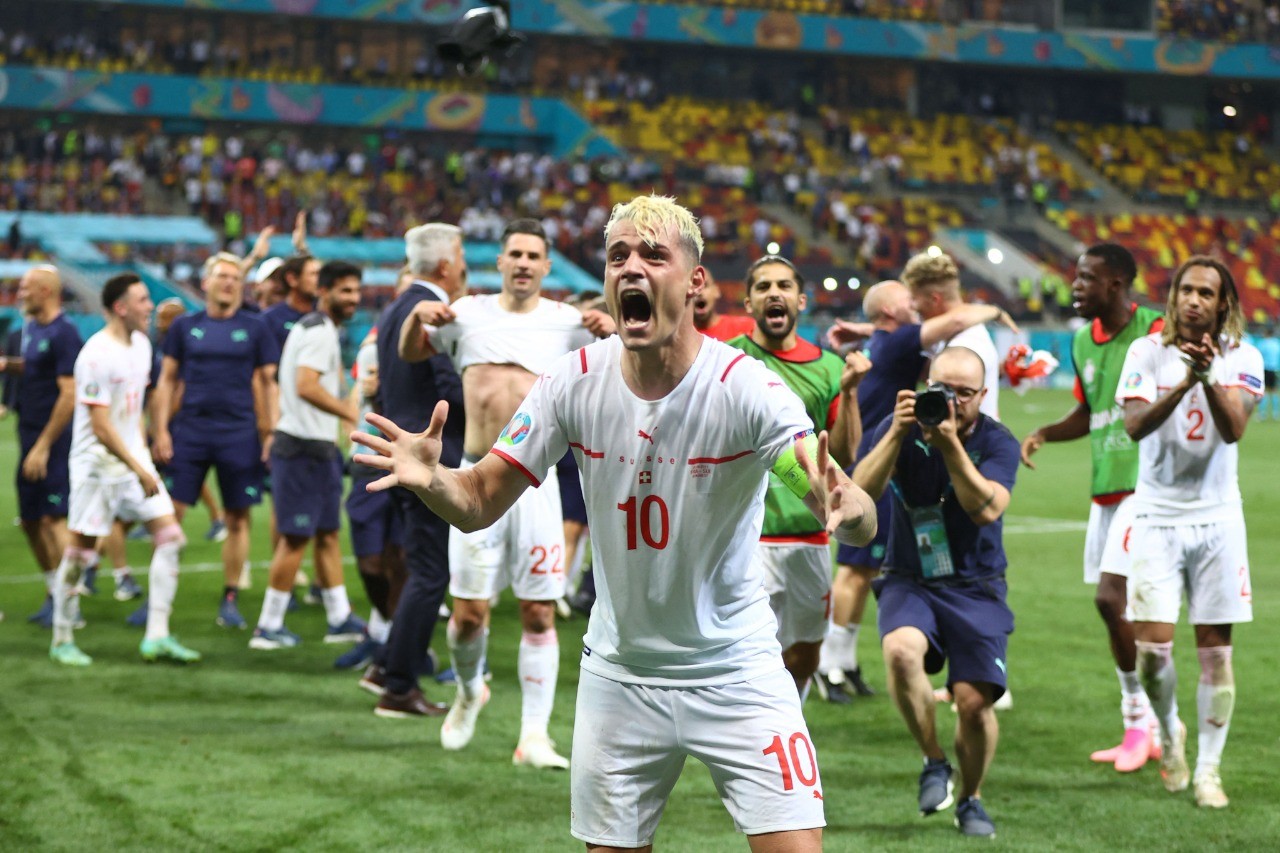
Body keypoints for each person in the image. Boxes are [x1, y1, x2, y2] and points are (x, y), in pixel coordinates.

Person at [353, 195, 876, 850]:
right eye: (618, 255)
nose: (631, 266)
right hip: (620, 677)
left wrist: (849, 507)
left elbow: (838, 493)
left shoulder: (745, 387)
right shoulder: (571, 381)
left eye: (653, 254)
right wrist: (434, 478)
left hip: (736, 669)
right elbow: (481, 495)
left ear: (693, 283)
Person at [400, 218, 613, 766]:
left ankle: (534, 737)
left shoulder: (568, 323)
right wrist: (416, 318)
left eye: (533, 255)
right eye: (514, 253)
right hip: (474, 476)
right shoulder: (467, 313)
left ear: (546, 266)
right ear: (499, 262)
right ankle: (471, 690)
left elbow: (623, 360)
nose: (522, 263)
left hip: (535, 484)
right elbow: (411, 353)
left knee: (539, 614)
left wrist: (609, 326)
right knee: (469, 616)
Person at [817, 280, 1018, 704]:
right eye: (909, 303)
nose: (919, 308)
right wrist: (994, 311)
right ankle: (830, 663)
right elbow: (958, 318)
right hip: (882, 452)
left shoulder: (884, 343)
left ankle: (843, 661)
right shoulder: (901, 342)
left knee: (862, 569)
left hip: (880, 453)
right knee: (855, 569)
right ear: (890, 313)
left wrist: (863, 328)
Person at [852, 347, 1020, 839]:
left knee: (973, 702)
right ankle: (932, 759)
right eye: (942, 389)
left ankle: (971, 798)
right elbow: (860, 496)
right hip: (910, 575)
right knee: (900, 651)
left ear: (983, 396)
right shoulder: (898, 426)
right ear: (927, 385)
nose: (953, 401)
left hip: (977, 584)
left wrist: (949, 445)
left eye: (965, 393)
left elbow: (986, 509)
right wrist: (899, 434)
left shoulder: (997, 442)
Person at [1117, 256, 1261, 809]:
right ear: (1173, 295)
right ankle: (1169, 730)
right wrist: (1184, 382)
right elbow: (1133, 425)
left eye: (1207, 291)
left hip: (1219, 518)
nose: (1194, 299)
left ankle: (1208, 770)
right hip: (1155, 515)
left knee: (1215, 656)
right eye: (1186, 289)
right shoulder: (1145, 352)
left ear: (1223, 303)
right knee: (1152, 652)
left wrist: (1208, 376)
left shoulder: (1242, 356)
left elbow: (1233, 430)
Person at [1019, 244, 1165, 771]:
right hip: (1106, 487)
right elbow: (1091, 411)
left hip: (1147, 485)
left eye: (1086, 278)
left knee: (1111, 600)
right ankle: (1154, 725)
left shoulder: (1155, 331)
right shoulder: (1083, 341)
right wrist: (1044, 433)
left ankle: (1140, 723)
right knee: (1128, 612)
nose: (1075, 287)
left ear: (1117, 285)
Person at [726, 254, 868, 696]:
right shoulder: (727, 361)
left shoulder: (827, 367)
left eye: (784, 285)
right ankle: (749, 747)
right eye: (763, 286)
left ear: (800, 300)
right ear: (748, 303)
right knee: (744, 656)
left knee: (804, 655)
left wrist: (848, 393)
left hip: (809, 534)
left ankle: (787, 732)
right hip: (745, 536)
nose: (774, 292)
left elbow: (843, 454)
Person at [51, 273, 199, 666]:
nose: (150, 306)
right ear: (120, 307)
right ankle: (62, 637)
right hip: (96, 467)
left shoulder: (140, 344)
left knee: (171, 538)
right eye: (142, 300)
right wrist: (139, 466)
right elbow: (100, 426)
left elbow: (136, 405)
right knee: (81, 552)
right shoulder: (95, 355)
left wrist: (150, 442)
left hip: (133, 460)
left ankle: (157, 636)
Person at [360, 223, 467, 718]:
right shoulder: (435, 314)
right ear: (445, 265)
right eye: (462, 256)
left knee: (419, 566)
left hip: (400, 452)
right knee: (430, 573)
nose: (465, 266)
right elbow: (448, 388)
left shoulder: (395, 308)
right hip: (426, 460)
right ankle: (399, 686)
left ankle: (386, 666)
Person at [152, 254, 277, 629]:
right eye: (222, 276)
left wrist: (269, 433)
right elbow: (166, 380)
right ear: (205, 283)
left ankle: (230, 598)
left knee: (237, 518)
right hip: (190, 431)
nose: (229, 282)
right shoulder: (185, 326)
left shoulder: (255, 328)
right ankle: (159, 602)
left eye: (235, 277)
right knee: (169, 515)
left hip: (239, 433)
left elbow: (269, 383)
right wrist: (160, 429)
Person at [249, 260, 366, 650]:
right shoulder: (318, 331)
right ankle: (267, 626)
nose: (353, 299)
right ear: (325, 291)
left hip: (317, 447)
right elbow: (305, 386)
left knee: (328, 535)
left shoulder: (321, 328)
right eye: (344, 291)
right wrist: (350, 412)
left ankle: (338, 617)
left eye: (356, 291)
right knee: (296, 539)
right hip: (300, 447)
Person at [0, 267, 91, 625]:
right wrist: (9, 366)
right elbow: (38, 368)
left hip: (53, 440)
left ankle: (72, 605)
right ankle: (56, 592)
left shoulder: (65, 333)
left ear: (45, 290)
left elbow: (69, 394)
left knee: (54, 519)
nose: (19, 293)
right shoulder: (32, 330)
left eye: (24, 288)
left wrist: (43, 446)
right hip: (28, 434)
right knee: (31, 519)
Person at [901, 251, 1001, 420]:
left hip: (967, 445)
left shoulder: (963, 347)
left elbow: (956, 417)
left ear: (934, 299)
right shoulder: (966, 334)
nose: (912, 307)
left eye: (914, 299)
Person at [693, 269, 755, 342]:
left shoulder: (747, 328)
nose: (700, 293)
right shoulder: (678, 337)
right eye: (694, 287)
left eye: (705, 286)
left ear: (716, 291)